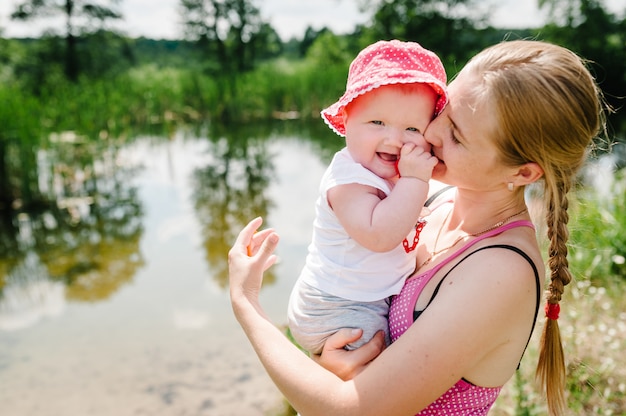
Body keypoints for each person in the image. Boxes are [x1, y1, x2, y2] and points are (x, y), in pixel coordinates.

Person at [228, 39, 606, 416]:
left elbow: (349, 411)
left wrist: (246, 305)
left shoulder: (501, 272)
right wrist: (328, 362)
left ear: (523, 173)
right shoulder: (431, 199)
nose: (429, 133)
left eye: (456, 135)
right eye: (441, 110)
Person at [287, 39, 448, 354]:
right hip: (337, 307)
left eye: (413, 129)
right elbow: (379, 235)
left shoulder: (388, 172)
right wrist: (415, 179)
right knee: (382, 378)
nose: (394, 139)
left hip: (359, 298)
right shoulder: (349, 180)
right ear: (346, 121)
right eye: (377, 122)